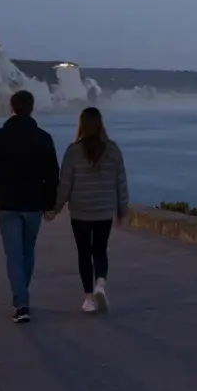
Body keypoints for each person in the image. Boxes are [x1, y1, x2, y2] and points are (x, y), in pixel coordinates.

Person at [0, 90, 59, 323]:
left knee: (13, 254)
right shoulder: (43, 138)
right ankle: (23, 295)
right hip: (33, 205)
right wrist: (49, 203)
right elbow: (52, 175)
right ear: (31, 108)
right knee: (27, 251)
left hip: (8, 204)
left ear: (12, 108)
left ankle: (21, 303)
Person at [47, 107, 130, 314]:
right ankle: (100, 284)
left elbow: (65, 184)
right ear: (101, 124)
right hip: (103, 210)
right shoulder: (113, 150)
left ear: (81, 125)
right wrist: (122, 210)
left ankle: (88, 299)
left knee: (84, 253)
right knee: (100, 250)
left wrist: (55, 209)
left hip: (80, 211)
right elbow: (121, 182)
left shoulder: (73, 151)